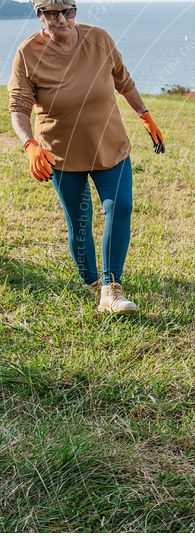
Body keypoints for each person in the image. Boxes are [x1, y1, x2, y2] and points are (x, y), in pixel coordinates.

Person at [8, 0, 165, 314]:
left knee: (120, 207)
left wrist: (145, 115)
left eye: (68, 11)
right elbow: (18, 108)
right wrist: (30, 145)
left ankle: (111, 288)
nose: (63, 20)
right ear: (40, 15)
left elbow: (123, 81)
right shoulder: (28, 54)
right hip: (62, 154)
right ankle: (92, 282)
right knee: (79, 221)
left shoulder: (99, 39)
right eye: (53, 14)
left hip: (110, 146)